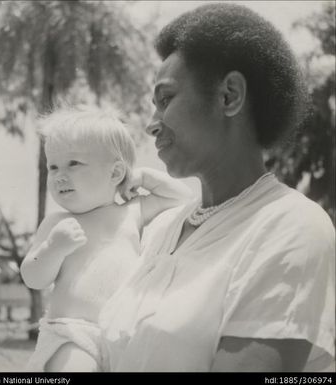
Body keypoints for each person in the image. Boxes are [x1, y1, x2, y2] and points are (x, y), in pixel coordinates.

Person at [98, 3, 335, 372]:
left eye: (165, 100)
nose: (151, 124)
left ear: (229, 96)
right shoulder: (161, 231)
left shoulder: (292, 228)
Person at [20, 106, 193, 372]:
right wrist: (53, 249)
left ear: (115, 173)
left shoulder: (132, 213)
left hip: (123, 335)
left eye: (73, 163)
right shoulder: (57, 224)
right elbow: (33, 277)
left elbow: (182, 199)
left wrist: (145, 176)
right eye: (52, 166)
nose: (59, 175)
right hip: (72, 334)